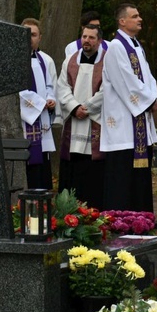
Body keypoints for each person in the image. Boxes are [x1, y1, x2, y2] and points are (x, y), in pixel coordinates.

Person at [100, 3, 157, 212]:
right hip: (124, 124)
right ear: (122, 21)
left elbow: (148, 76)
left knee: (139, 176)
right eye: (134, 16)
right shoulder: (116, 47)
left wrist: (154, 96)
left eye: (139, 15)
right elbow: (125, 80)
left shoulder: (135, 45)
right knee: (123, 174)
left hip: (139, 119)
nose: (140, 19)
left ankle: (141, 217)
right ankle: (122, 218)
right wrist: (148, 100)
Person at [57, 24, 106, 208]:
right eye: (84, 36)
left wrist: (87, 107)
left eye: (91, 37)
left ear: (99, 41)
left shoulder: (106, 61)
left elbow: (107, 89)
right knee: (74, 167)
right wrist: (74, 107)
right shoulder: (70, 60)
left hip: (94, 120)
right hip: (74, 121)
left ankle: (94, 210)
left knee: (93, 170)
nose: (87, 40)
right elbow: (62, 87)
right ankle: (69, 210)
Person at [19, 18, 56, 190]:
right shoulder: (14, 60)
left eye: (33, 34)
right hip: (25, 120)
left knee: (42, 167)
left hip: (42, 120)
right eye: (26, 33)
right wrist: (41, 103)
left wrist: (51, 99)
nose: (29, 38)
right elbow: (17, 92)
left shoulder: (43, 59)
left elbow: (50, 85)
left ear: (39, 37)